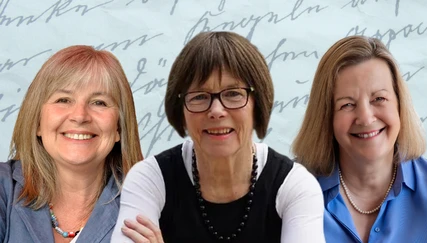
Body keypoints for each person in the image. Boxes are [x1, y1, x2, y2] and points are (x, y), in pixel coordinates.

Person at [110, 31, 325, 243]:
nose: (216, 110)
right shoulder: (149, 180)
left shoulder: (295, 186)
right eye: (200, 96)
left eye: (233, 94)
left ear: (257, 105)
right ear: (181, 111)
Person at [292, 35, 427, 243]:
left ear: (399, 105)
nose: (366, 118)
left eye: (379, 99)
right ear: (326, 116)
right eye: (347, 104)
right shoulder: (289, 195)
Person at [0, 45, 143, 243]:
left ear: (118, 127)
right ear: (38, 122)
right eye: (64, 99)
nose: (80, 116)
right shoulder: (3, 188)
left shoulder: (153, 204)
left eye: (99, 102)